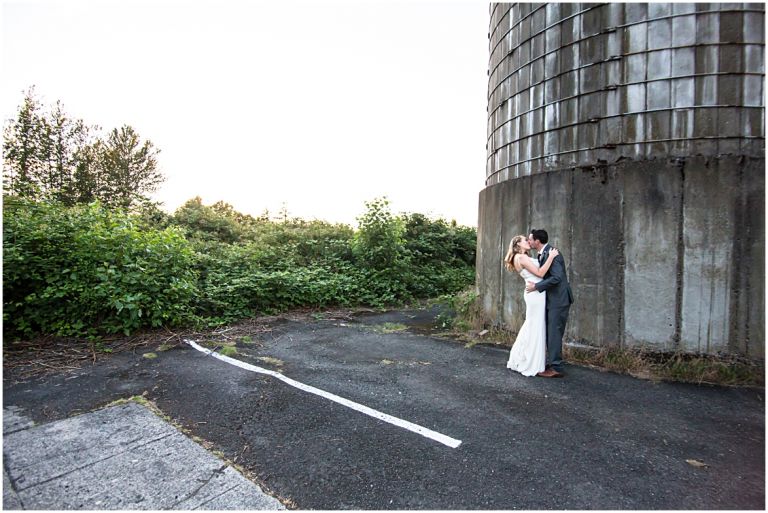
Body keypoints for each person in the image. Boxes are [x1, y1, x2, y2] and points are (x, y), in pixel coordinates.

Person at [503, 235, 559, 377]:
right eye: (524, 240)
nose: (528, 242)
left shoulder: (519, 257)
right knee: (535, 325)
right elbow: (540, 274)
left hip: (534, 292)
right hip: (535, 294)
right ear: (518, 244)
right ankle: (532, 363)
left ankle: (526, 358)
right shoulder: (521, 258)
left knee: (532, 324)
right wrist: (551, 257)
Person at [526, 229, 574, 377]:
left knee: (554, 333)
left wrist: (536, 287)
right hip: (552, 300)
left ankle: (557, 368)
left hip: (558, 300)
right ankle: (554, 363)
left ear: (537, 241)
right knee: (550, 332)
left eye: (530, 240)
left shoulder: (554, 254)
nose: (528, 242)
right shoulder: (544, 254)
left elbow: (557, 278)